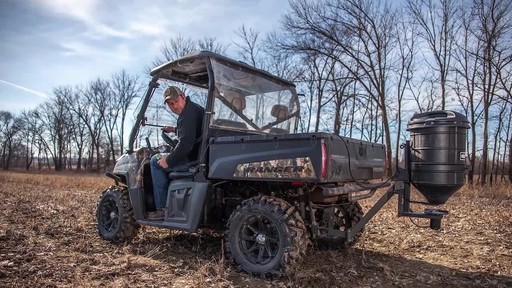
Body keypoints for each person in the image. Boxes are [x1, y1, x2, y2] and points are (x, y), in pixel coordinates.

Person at [148, 86, 205, 220]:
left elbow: (185, 145)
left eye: (176, 101)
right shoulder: (195, 109)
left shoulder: (186, 115)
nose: (175, 106)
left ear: (183, 96)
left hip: (191, 160)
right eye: (170, 104)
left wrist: (167, 161)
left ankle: (162, 209)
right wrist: (174, 129)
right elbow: (191, 131)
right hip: (199, 155)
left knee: (154, 162)